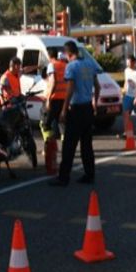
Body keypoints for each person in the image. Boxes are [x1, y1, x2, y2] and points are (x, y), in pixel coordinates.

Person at [49, 41, 102, 187]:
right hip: (88, 109)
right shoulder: (90, 64)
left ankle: (63, 177)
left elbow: (70, 88)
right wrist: (95, 103)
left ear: (67, 53)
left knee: (69, 146)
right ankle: (89, 174)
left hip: (77, 109)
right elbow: (97, 87)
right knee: (87, 145)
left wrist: (64, 109)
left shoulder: (71, 66)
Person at [41, 49, 67, 141]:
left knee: (45, 123)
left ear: (49, 56)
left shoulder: (51, 65)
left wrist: (48, 99)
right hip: (63, 98)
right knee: (61, 123)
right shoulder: (65, 65)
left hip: (53, 98)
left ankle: (49, 147)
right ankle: (66, 147)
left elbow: (53, 81)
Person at [119, 55, 136, 139]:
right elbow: (126, 82)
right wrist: (123, 91)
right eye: (127, 63)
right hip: (128, 95)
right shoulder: (126, 71)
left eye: (130, 63)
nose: (128, 65)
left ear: (134, 63)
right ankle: (127, 133)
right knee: (126, 114)